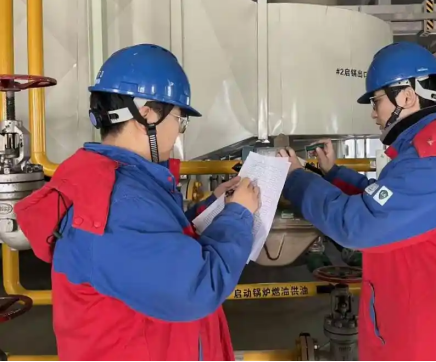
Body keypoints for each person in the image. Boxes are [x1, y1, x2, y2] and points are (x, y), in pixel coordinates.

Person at [14, 44, 260, 361]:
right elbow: (197, 287)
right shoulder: (116, 204)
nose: (179, 131)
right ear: (147, 115)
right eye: (180, 119)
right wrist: (239, 215)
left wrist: (213, 206)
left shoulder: (121, 180)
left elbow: (158, 246)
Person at [278, 42, 436, 361]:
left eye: (377, 101)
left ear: (407, 97)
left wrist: (295, 179)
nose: (374, 113)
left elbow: (357, 225)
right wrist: (332, 173)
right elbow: (387, 203)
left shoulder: (432, 165)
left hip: (432, 347)